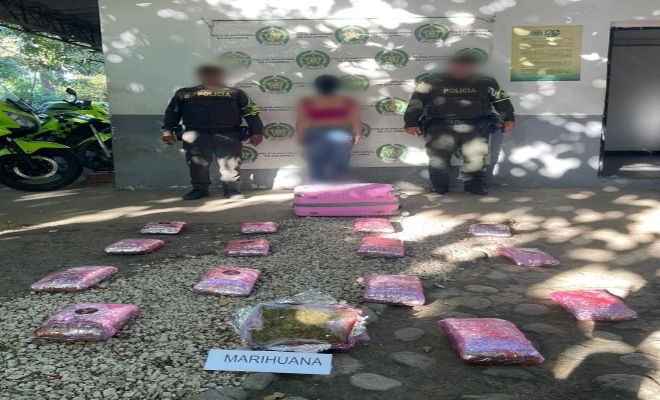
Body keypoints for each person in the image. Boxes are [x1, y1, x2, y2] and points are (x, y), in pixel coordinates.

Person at [403, 54, 515, 195]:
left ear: (473, 67)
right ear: (451, 66)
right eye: (459, 65)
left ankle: (474, 185)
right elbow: (416, 103)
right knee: (438, 159)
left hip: (477, 127)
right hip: (440, 127)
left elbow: (501, 102)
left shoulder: (487, 82)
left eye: (467, 66)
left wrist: (509, 118)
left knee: (475, 158)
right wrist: (411, 123)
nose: (462, 68)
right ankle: (439, 186)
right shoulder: (431, 81)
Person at [161, 64, 264, 200]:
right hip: (196, 135)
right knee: (197, 164)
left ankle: (231, 189)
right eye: (208, 74)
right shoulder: (185, 93)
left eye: (215, 74)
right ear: (201, 76)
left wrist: (257, 132)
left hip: (228, 134)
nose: (211, 77)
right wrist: (167, 131)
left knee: (231, 164)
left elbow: (251, 113)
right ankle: (200, 189)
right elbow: (172, 113)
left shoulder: (235, 93)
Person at [296, 75, 361, 183]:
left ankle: (316, 186)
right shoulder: (348, 101)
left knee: (316, 162)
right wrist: (358, 134)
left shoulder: (307, 102)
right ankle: (342, 187)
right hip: (341, 133)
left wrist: (300, 135)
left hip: (316, 133)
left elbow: (301, 120)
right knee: (341, 163)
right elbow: (355, 120)